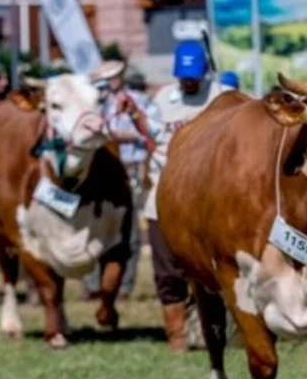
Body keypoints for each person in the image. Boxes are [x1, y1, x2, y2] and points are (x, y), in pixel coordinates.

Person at [143, 41, 225, 352]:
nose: (188, 82)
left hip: (209, 201)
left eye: (193, 76)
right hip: (163, 198)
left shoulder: (219, 97)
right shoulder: (164, 98)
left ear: (204, 71)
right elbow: (151, 134)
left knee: (211, 271)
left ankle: (211, 331)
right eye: (183, 76)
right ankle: (176, 334)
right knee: (167, 271)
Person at [82, 69, 156, 301]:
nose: (108, 83)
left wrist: (118, 135)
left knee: (130, 233)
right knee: (90, 230)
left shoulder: (140, 101)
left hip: (130, 170)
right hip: (98, 172)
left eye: (112, 77)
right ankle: (93, 286)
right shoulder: (93, 104)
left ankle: (124, 286)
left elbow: (149, 132)